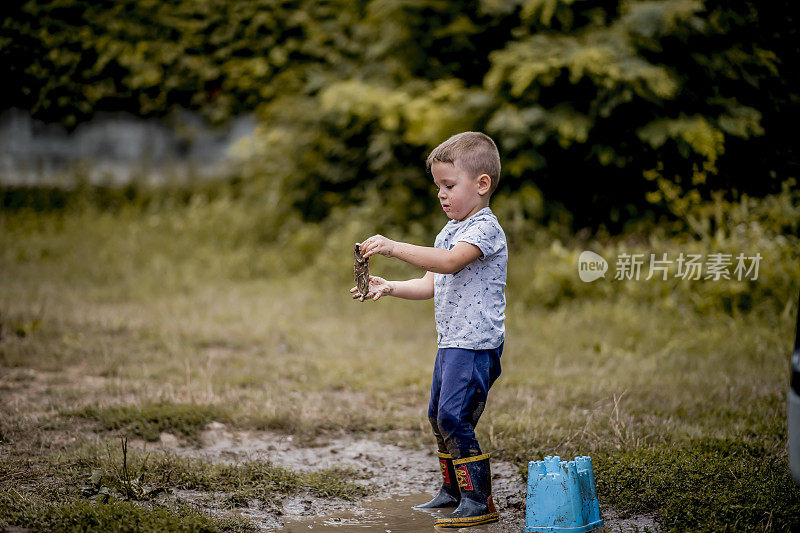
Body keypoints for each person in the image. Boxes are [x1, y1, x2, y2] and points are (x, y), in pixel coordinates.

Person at [351, 131, 507, 528]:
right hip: (451, 342)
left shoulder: (485, 228)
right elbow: (430, 283)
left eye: (449, 185)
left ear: (482, 184)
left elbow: (450, 264)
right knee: (438, 414)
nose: (441, 194)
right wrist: (389, 287)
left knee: (454, 417)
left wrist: (391, 245)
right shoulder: (449, 231)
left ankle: (479, 499)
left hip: (474, 346)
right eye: (438, 186)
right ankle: (453, 491)